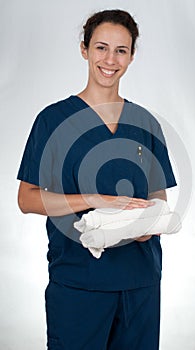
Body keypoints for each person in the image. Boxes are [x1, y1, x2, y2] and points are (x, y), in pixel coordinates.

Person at [17, 9, 177, 350]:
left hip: (140, 283)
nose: (110, 59)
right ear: (84, 49)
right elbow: (27, 199)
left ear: (132, 56)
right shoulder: (53, 121)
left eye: (121, 50)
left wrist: (147, 222)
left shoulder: (145, 123)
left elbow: (158, 195)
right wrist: (94, 199)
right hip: (78, 283)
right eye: (101, 47)